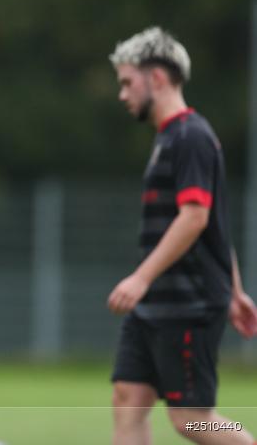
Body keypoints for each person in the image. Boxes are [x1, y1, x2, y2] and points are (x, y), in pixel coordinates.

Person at [108, 27, 257, 445]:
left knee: (191, 419)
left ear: (156, 77)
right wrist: (236, 290)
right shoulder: (169, 138)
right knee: (128, 396)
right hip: (158, 301)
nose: (122, 94)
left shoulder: (191, 136)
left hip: (188, 302)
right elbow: (216, 226)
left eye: (127, 82)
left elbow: (195, 218)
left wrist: (140, 278)